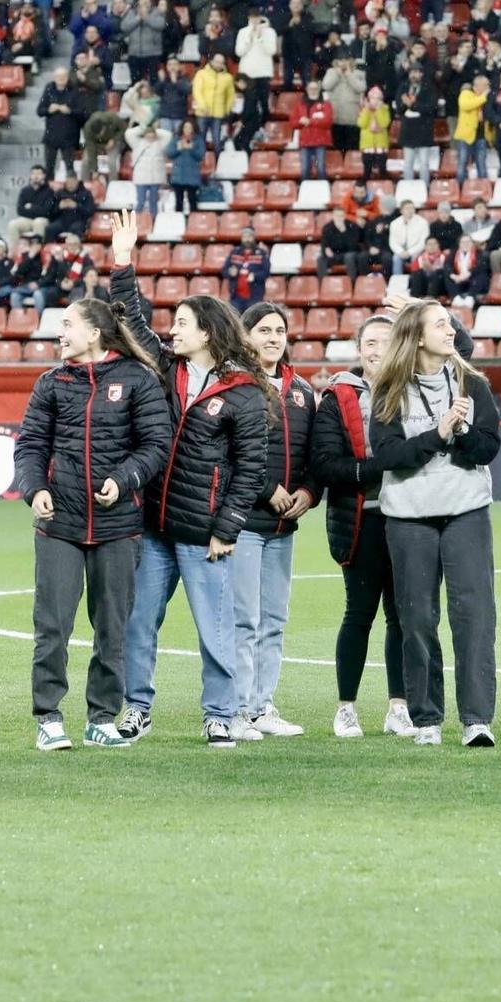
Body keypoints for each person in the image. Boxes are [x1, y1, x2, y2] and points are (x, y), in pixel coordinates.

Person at [107, 213, 271, 748]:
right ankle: (136, 709)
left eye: (180, 323)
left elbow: (250, 470)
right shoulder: (166, 369)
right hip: (153, 525)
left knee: (215, 630)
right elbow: (129, 318)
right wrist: (123, 262)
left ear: (208, 333)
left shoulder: (246, 391)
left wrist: (227, 527)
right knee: (138, 622)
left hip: (205, 533)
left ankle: (219, 713)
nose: (171, 330)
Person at [13, 297, 172, 751]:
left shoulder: (137, 379)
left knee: (112, 629)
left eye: (66, 324)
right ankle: (48, 717)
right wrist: (33, 489)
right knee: (52, 627)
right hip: (58, 523)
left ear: (94, 333)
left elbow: (156, 445)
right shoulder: (51, 382)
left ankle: (102, 717)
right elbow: (29, 446)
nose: (58, 332)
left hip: (118, 525)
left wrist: (123, 481)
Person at [370, 300, 501, 748]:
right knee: (417, 618)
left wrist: (462, 434)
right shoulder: (388, 388)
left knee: (475, 617)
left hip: (466, 510)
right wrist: (437, 435)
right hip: (408, 516)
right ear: (418, 337)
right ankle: (427, 718)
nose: (452, 331)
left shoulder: (472, 382)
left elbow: (488, 448)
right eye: (441, 324)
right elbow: (388, 456)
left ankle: (477, 719)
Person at [309, 314, 414, 739]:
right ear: (359, 348)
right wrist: (380, 467)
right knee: (359, 613)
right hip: (360, 519)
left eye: (386, 341)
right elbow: (326, 464)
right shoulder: (338, 396)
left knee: (402, 617)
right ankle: (346, 708)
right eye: (370, 342)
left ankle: (399, 708)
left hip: (408, 518)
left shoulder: (415, 388)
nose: (377, 349)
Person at [229, 302, 319, 739]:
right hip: (244, 521)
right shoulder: (232, 385)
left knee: (273, 621)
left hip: (284, 527)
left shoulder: (302, 390)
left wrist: (308, 492)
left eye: (279, 330)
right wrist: (267, 490)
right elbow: (224, 454)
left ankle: (262, 705)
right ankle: (237, 708)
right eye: (263, 330)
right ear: (245, 336)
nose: (272, 337)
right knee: (243, 620)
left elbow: (314, 455)